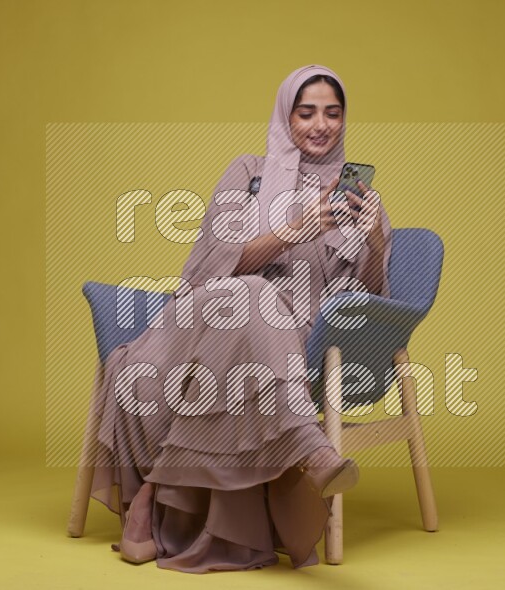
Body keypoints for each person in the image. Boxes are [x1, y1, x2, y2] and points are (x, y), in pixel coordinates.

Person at [87, 64, 393, 573]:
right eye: (306, 113)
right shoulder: (248, 173)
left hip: (286, 342)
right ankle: (309, 448)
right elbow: (206, 268)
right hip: (205, 316)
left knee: (255, 316)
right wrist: (290, 233)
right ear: (286, 116)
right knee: (250, 292)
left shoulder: (362, 201)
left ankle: (151, 496)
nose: (321, 125)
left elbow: (369, 301)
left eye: (333, 113)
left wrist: (376, 240)